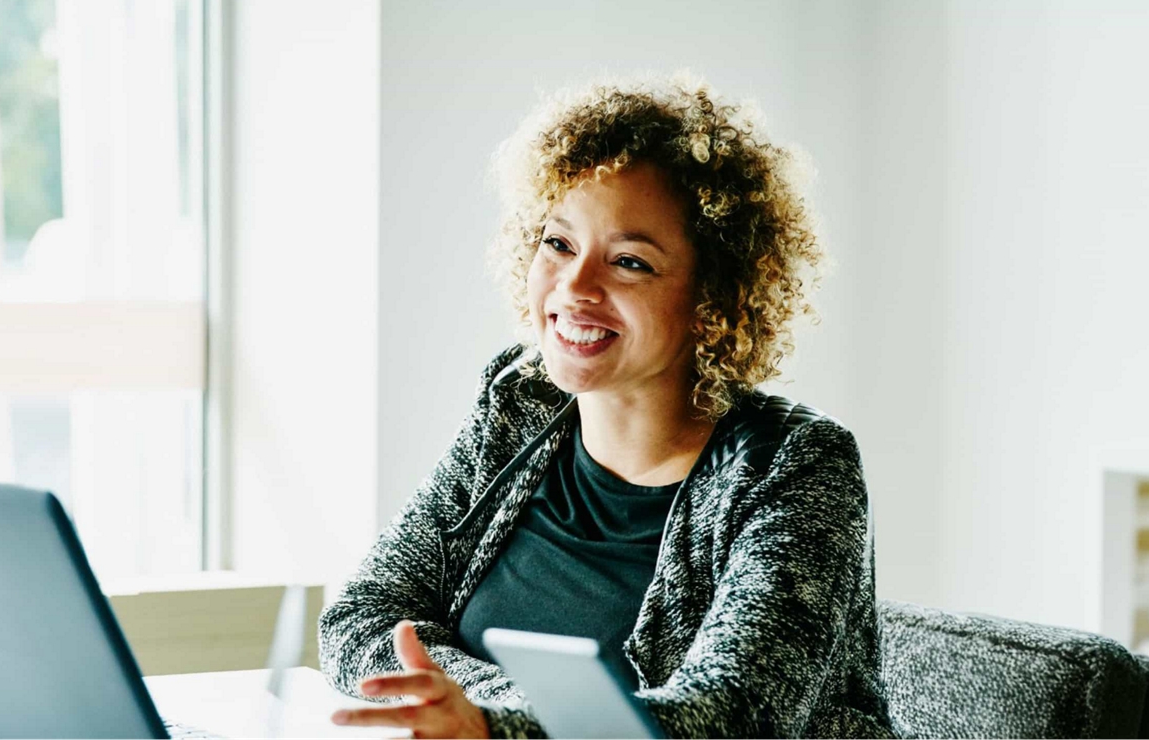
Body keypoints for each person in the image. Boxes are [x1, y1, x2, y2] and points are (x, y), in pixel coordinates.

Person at [318, 73, 895, 739]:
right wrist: (490, 709)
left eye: (629, 263)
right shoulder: (519, 405)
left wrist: (494, 726)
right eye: (558, 243)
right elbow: (362, 615)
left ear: (713, 300)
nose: (574, 286)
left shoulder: (795, 469)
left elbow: (734, 719)